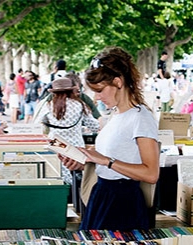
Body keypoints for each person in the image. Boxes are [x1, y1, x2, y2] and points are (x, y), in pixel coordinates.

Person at [59, 46, 160, 231]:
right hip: (103, 195)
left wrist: (105, 160)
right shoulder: (115, 115)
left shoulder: (140, 118)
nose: (97, 98)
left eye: (100, 90)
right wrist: (83, 161)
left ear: (118, 82)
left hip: (122, 202)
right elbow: (112, 160)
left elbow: (151, 174)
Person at [35, 77, 100, 184]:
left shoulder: (48, 105)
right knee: (76, 178)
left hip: (56, 146)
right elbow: (94, 126)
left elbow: (38, 125)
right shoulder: (79, 105)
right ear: (71, 90)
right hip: (76, 148)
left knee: (58, 177)